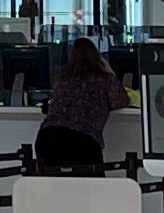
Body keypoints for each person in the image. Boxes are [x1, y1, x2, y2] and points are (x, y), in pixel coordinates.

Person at [32, 37, 124, 172]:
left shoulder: (64, 77)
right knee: (91, 189)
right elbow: (120, 101)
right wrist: (109, 70)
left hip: (47, 136)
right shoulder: (105, 79)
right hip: (83, 140)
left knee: (51, 188)